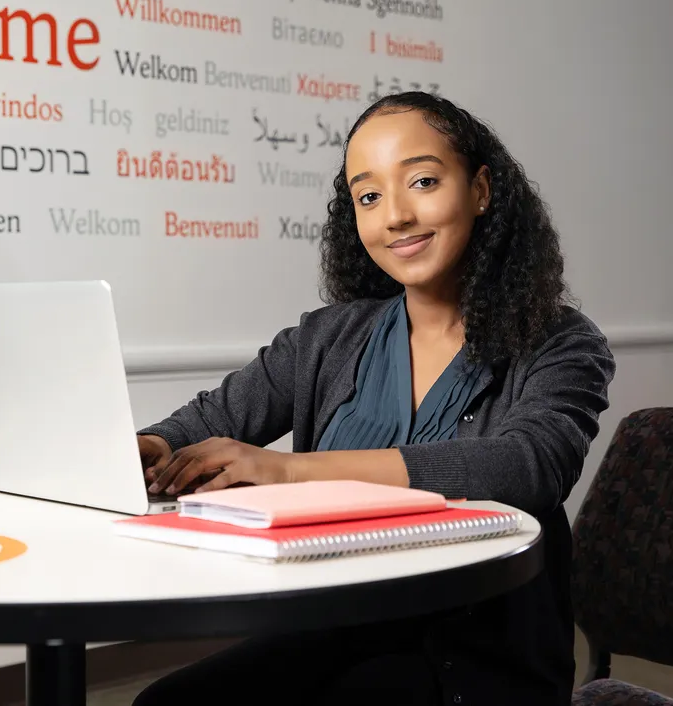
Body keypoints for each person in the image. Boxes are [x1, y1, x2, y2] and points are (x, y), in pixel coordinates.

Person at [132, 91, 616, 706]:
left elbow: (527, 468)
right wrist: (148, 447)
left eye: (421, 181)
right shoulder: (327, 339)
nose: (396, 215)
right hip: (335, 634)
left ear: (482, 190)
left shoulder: (561, 343)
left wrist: (289, 471)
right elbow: (202, 424)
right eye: (369, 196)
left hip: (474, 667)